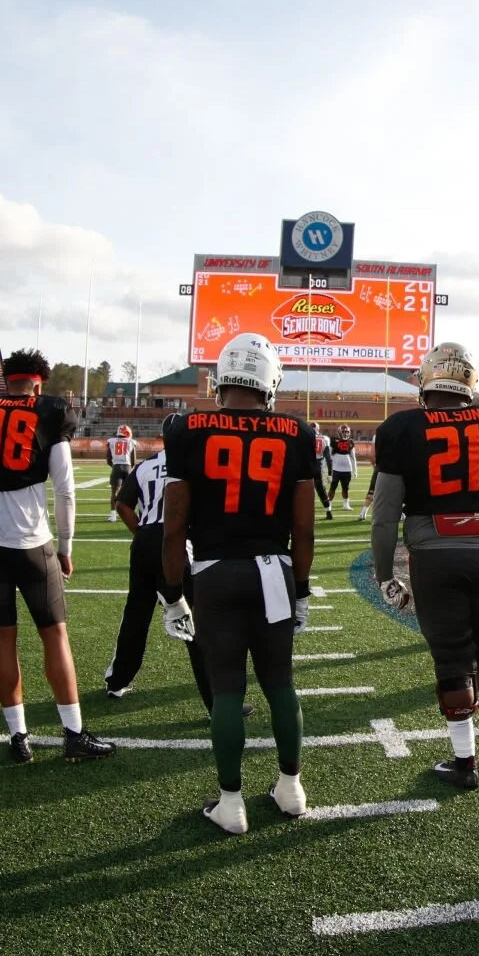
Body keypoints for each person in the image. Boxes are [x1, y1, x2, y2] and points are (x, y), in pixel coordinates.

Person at [160, 333, 317, 833]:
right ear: (270, 381)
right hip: (274, 570)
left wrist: (172, 594)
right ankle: (291, 789)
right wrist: (303, 588)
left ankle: (231, 805)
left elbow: (174, 525)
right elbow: (304, 528)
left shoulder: (187, 427)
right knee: (280, 684)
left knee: (227, 691)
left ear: (221, 378)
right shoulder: (296, 430)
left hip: (214, 571)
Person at [371, 342, 479, 790]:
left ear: (427, 383)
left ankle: (465, 763)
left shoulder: (402, 427)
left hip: (434, 558)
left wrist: (384, 574)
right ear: (469, 383)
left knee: (451, 663)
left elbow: (386, 514)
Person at [0, 350, 112, 763]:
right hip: (31, 542)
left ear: (7, 382)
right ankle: (73, 733)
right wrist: (66, 546)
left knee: (2, 636)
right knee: (54, 634)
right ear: (39, 385)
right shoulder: (50, 411)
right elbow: (65, 489)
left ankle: (18, 736)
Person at [102, 433, 214, 708]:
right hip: (174, 543)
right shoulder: (194, 464)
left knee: (136, 614)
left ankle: (117, 682)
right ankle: (216, 702)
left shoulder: (145, 465)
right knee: (194, 622)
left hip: (145, 541)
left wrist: (141, 533)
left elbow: (123, 505)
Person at [328, 424, 359, 511]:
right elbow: (329, 456)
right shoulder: (334, 441)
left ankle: (346, 504)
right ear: (339, 432)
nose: (346, 433)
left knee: (345, 488)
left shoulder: (351, 442)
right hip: (336, 468)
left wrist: (355, 470)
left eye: (347, 432)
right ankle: (329, 504)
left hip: (347, 468)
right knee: (333, 487)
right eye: (344, 431)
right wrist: (330, 472)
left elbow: (353, 457)